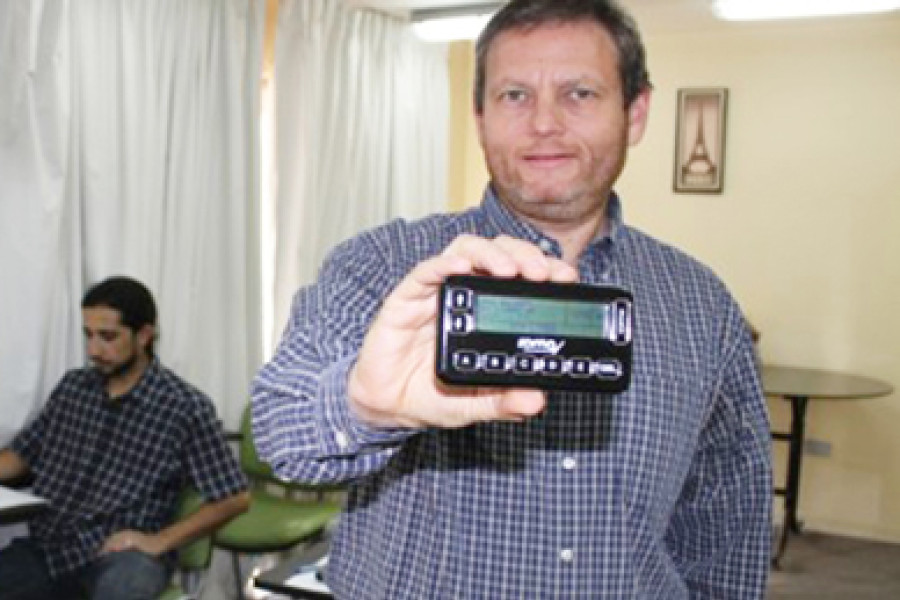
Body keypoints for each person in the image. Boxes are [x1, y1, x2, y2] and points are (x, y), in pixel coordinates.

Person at [252, 0, 772, 597]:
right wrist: (364, 406)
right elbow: (282, 427)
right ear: (480, 118)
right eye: (515, 95)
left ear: (635, 112)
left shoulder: (704, 308)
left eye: (579, 93)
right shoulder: (384, 267)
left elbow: (727, 529)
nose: (544, 123)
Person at [0, 276, 250, 600]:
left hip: (121, 556)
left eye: (107, 337)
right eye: (88, 335)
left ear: (144, 335)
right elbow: (19, 456)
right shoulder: (73, 388)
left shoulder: (183, 407)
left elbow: (234, 498)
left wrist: (159, 541)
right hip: (51, 548)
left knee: (121, 590)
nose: (93, 350)